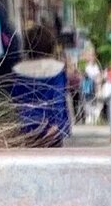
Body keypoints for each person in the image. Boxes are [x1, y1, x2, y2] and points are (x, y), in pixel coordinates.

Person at [7, 12, 73, 146]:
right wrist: (57, 125)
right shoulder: (57, 70)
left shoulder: (17, 71)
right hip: (50, 130)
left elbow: (14, 101)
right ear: (50, 46)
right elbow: (58, 98)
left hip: (25, 128)